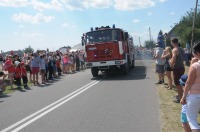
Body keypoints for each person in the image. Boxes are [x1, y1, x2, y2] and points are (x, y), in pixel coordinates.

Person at [180, 41, 200, 132]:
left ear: (197, 53)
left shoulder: (195, 66)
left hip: (195, 95)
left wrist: (184, 97)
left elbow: (188, 83)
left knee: (192, 120)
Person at [170, 37, 185, 103]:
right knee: (181, 83)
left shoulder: (174, 49)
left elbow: (174, 58)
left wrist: (171, 65)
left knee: (178, 84)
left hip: (177, 68)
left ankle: (180, 98)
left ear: (172, 43)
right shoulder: (181, 49)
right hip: (182, 67)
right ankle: (180, 95)